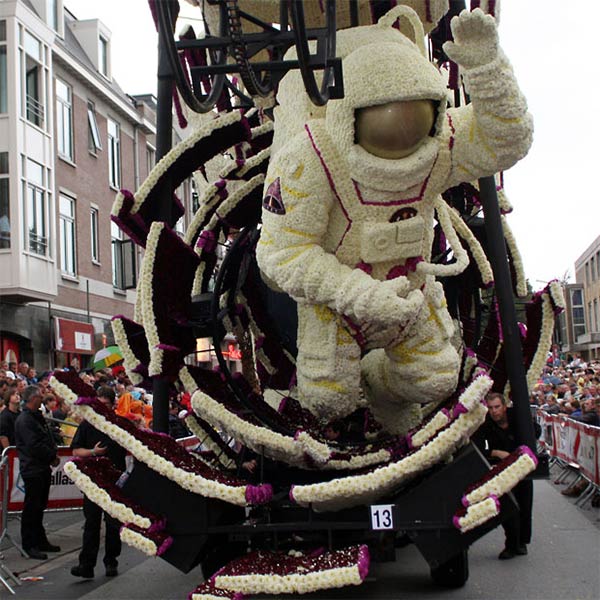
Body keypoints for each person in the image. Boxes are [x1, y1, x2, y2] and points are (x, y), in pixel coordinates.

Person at [473, 392, 538, 560]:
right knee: (508, 506)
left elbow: (536, 431)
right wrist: (495, 452)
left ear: (504, 406)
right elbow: (477, 445)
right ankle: (511, 544)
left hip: (523, 467)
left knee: (525, 505)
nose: (495, 412)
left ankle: (522, 542)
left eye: (497, 407)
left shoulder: (517, 417)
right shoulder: (486, 424)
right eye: (491, 408)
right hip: (503, 470)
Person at [70, 385, 126, 579]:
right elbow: (76, 450)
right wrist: (93, 452)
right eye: (98, 405)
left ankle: (111, 561)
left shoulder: (120, 424)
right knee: (91, 524)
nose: (101, 409)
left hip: (115, 481)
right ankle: (86, 564)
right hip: (92, 482)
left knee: (113, 524)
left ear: (113, 405)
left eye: (106, 405)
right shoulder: (87, 425)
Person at [14, 385, 61, 559]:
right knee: (32, 507)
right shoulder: (25, 420)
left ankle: (40, 540)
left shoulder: (35, 417)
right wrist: (51, 456)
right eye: (40, 396)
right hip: (32, 468)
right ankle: (29, 544)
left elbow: (43, 438)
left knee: (39, 506)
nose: (43, 398)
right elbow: (34, 445)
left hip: (40, 468)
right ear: (33, 398)